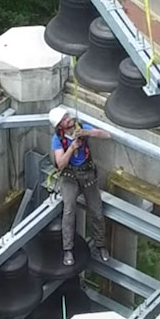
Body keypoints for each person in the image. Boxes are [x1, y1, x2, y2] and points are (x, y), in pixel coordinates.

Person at [49, 106, 111, 266]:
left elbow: (106, 135)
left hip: (87, 174)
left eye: (67, 116)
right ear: (59, 126)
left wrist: (88, 133)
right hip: (70, 176)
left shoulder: (81, 129)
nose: (68, 119)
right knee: (69, 211)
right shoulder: (57, 139)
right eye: (64, 119)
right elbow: (60, 164)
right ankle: (68, 249)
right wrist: (71, 148)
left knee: (96, 211)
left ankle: (100, 245)